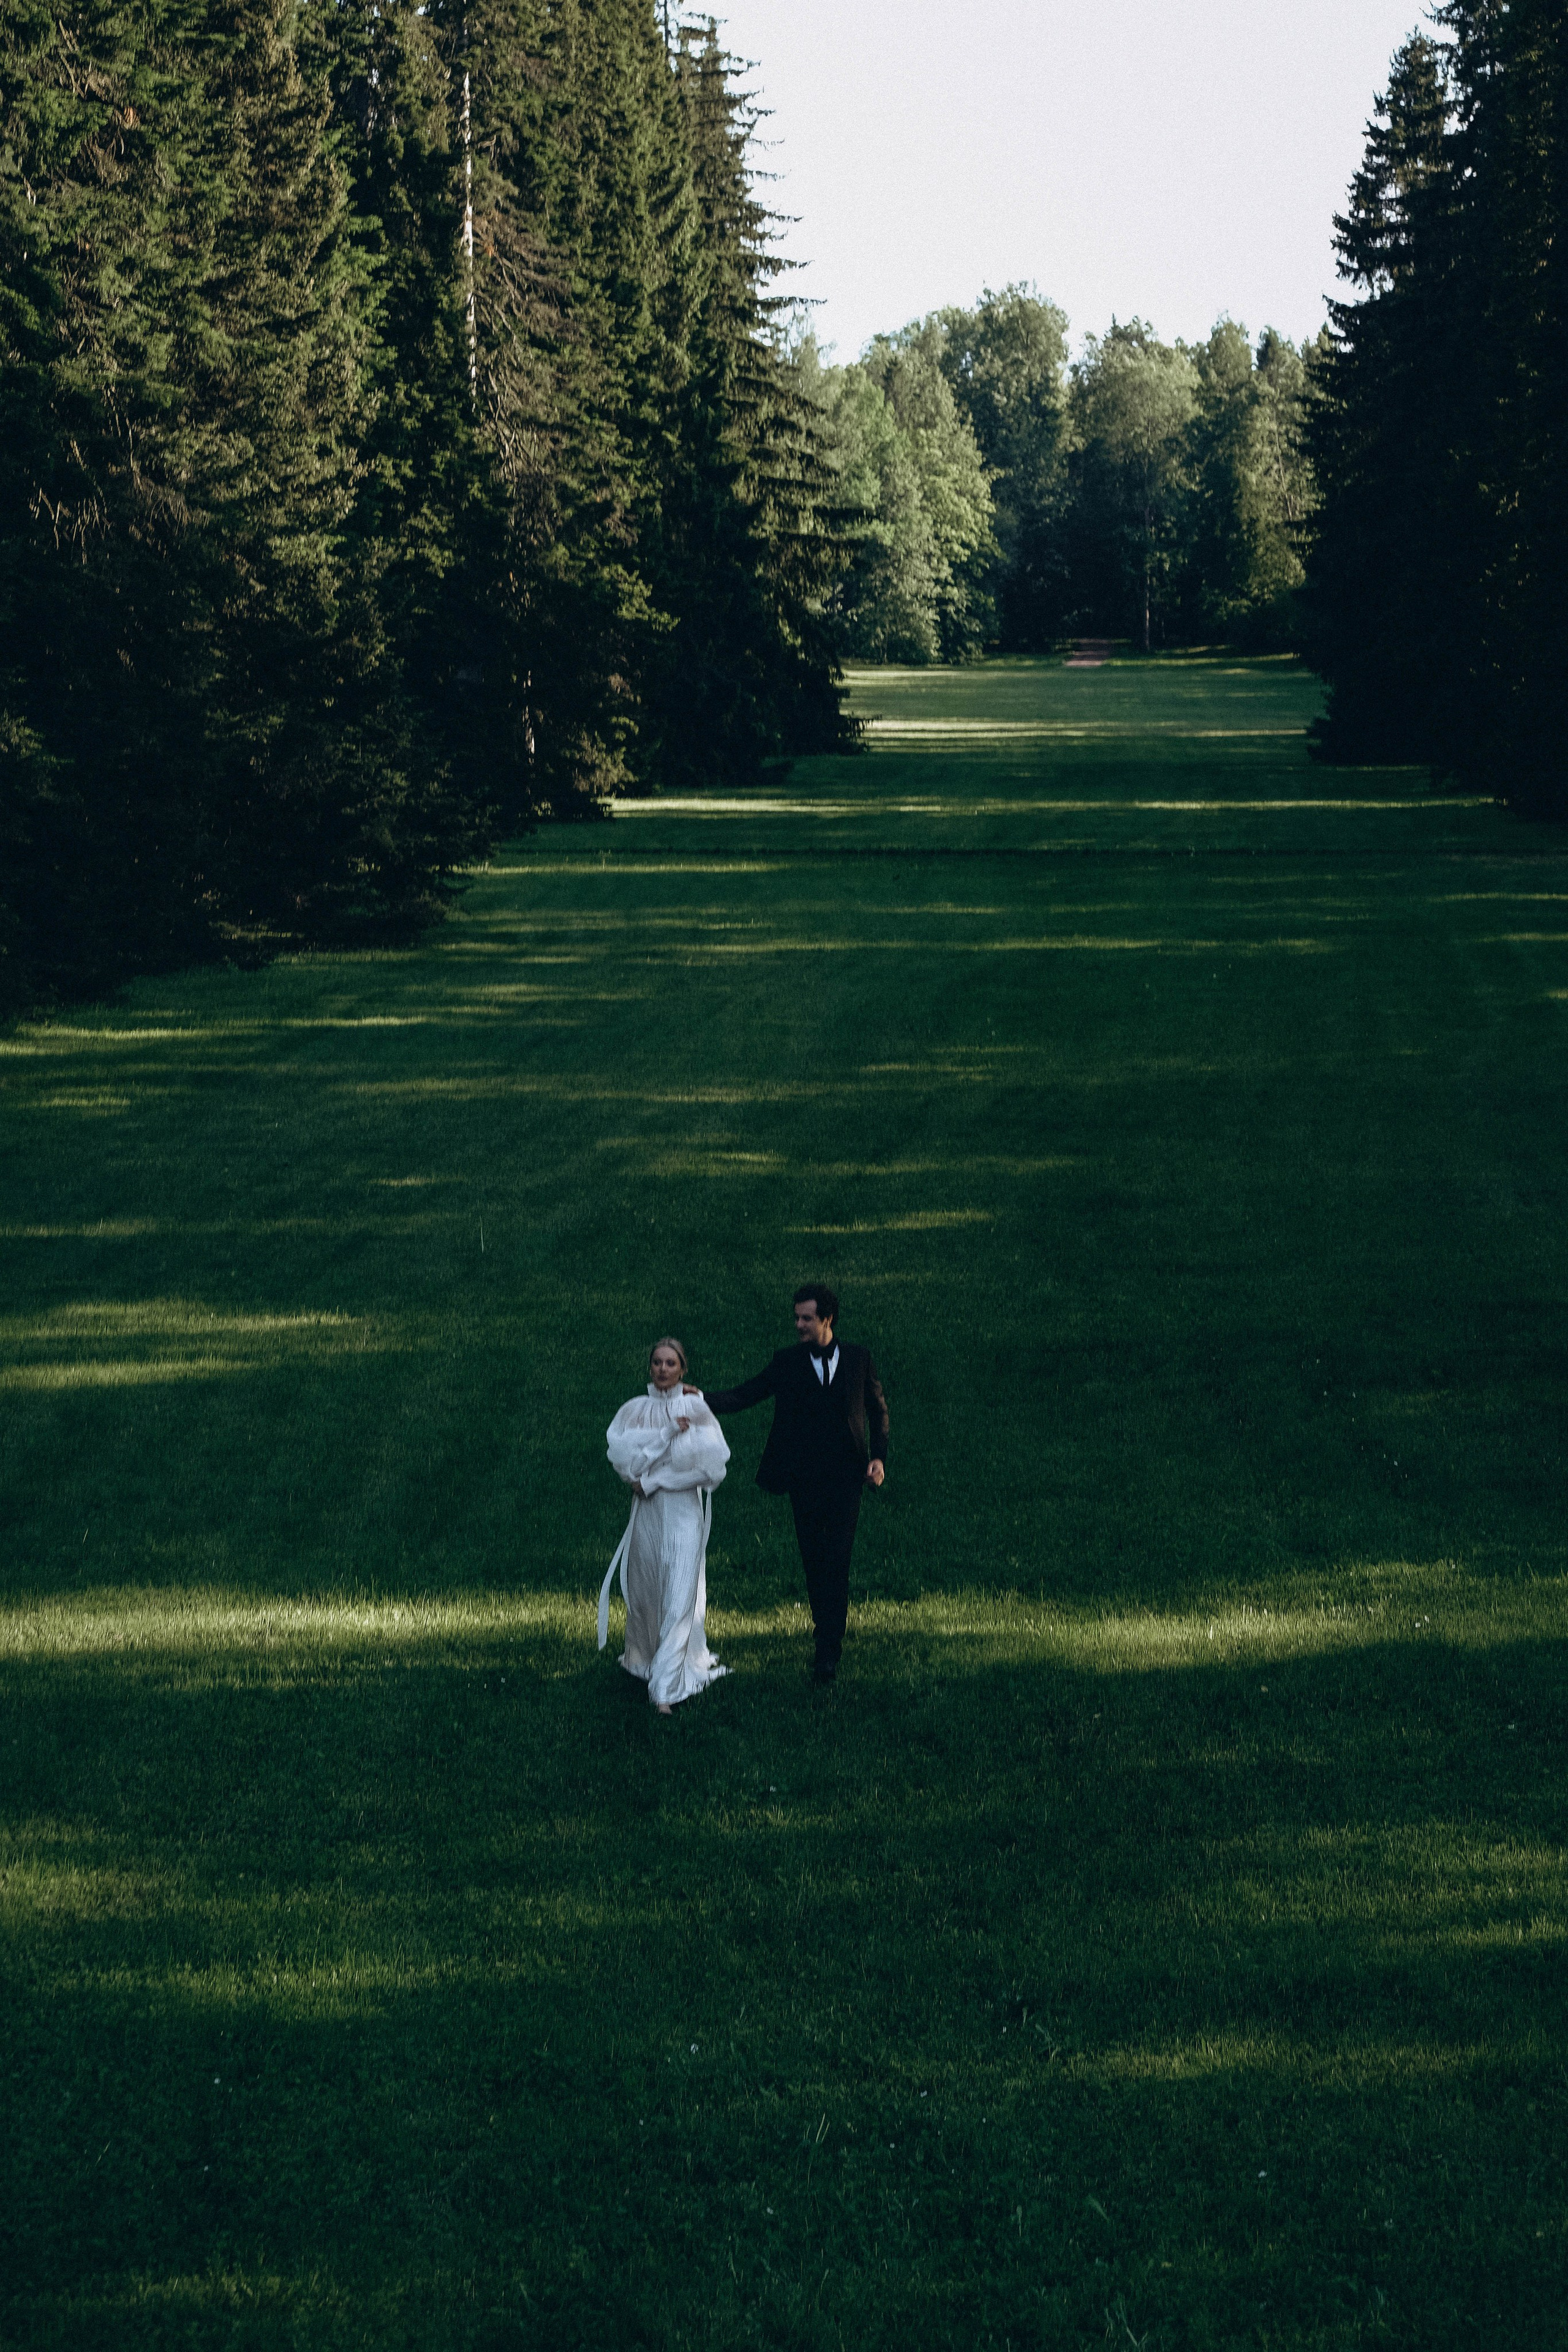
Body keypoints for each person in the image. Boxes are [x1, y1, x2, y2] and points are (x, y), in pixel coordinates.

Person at [697, 1286, 887, 1685]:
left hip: (847, 1478)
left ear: (827, 1319)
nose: (798, 1325)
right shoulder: (787, 1362)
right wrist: (697, 1400)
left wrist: (879, 1458)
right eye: (796, 1317)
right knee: (814, 1560)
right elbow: (747, 1393)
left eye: (806, 1318)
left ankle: (828, 1648)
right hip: (804, 1479)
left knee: (837, 1559)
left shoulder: (858, 1358)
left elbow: (877, 1410)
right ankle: (826, 1633)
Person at [600, 1338, 731, 1715]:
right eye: (657, 1362)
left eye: (670, 1363)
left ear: (682, 1368)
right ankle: (644, 1658)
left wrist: (657, 1480)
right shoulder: (633, 1410)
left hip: (682, 1513)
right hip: (647, 1516)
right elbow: (628, 1465)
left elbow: (709, 1471)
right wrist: (665, 1440)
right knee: (646, 1590)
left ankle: (666, 1687)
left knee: (678, 1592)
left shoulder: (696, 1408)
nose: (662, 1369)